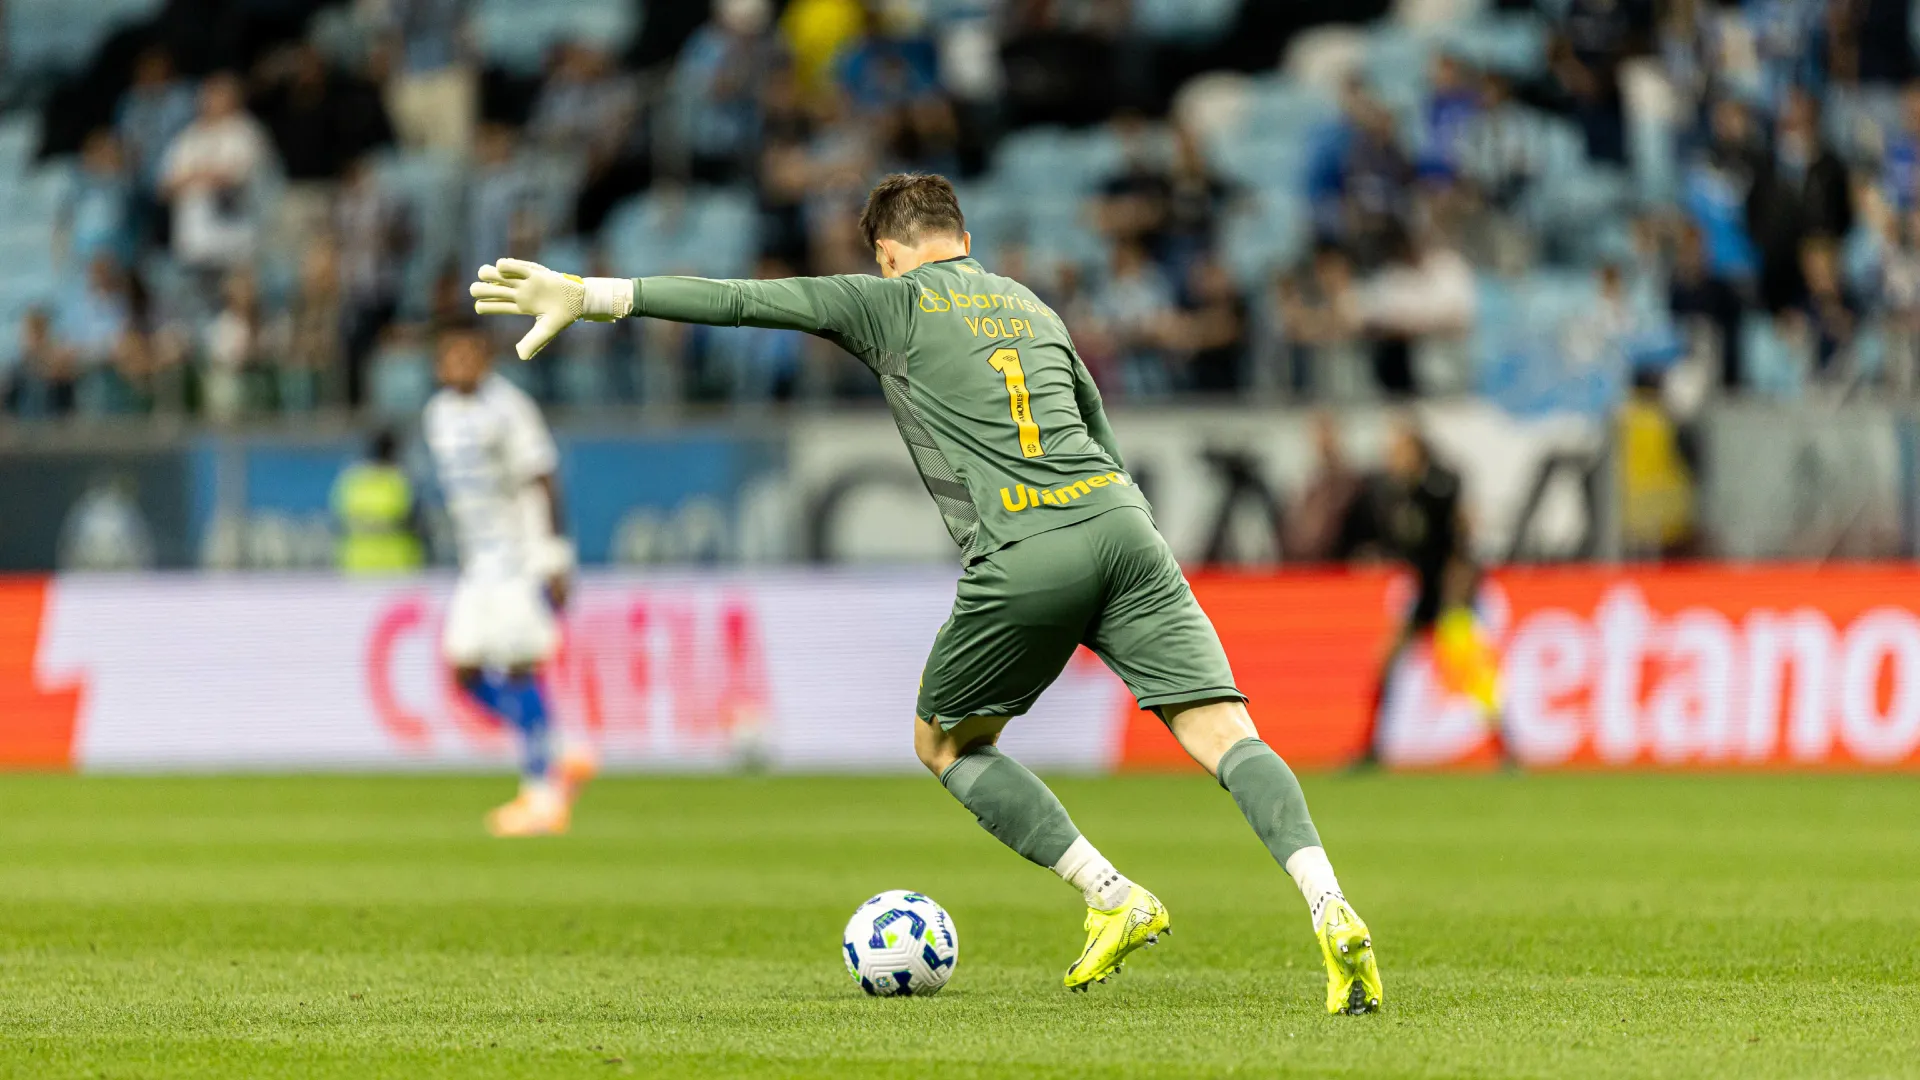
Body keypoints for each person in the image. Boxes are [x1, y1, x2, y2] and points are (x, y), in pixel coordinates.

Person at [466, 173, 1384, 1013]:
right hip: (1125, 527)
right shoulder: (1031, 304)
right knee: (1227, 733)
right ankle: (1329, 901)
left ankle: (1114, 896)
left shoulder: (891, 302)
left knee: (944, 742)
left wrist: (591, 295)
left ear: (887, 253)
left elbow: (744, 301)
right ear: (964, 238)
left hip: (1025, 547)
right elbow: (1098, 429)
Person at [422, 325, 591, 837]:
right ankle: (563, 749)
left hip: (519, 559)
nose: (460, 363)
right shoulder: (437, 415)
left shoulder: (510, 408)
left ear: (487, 359)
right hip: (478, 565)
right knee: (464, 672)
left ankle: (541, 796)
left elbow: (545, 480)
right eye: (451, 355)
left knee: (520, 670)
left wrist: (555, 558)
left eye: (469, 354)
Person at [1354, 420, 1507, 768]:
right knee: (1387, 664)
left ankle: (1504, 748)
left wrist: (1461, 587)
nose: (1393, 459)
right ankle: (1370, 747)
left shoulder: (1439, 487)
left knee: (1471, 669)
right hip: (1426, 593)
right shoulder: (1397, 494)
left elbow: (1460, 536)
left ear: (1417, 452)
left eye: (1399, 451)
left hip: (1451, 593)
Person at [332, 429, 425, 575]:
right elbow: (415, 521)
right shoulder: (401, 480)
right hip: (397, 562)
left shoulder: (352, 480)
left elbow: (340, 520)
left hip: (359, 562)